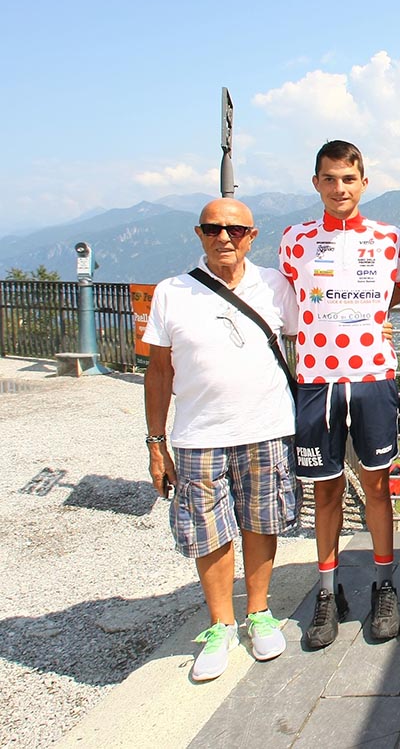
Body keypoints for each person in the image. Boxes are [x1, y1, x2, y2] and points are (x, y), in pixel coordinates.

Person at [143, 198, 298, 681]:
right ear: (199, 233)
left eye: (234, 230)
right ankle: (219, 624)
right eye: (213, 229)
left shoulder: (275, 285)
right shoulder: (171, 292)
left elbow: (307, 338)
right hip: (198, 434)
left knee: (260, 520)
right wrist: (155, 441)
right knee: (206, 531)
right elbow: (159, 370)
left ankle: (258, 611)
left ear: (253, 235)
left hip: (268, 425)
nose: (223, 238)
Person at [279, 140, 400, 647]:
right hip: (316, 379)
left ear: (364, 182)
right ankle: (327, 591)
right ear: (316, 183)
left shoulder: (387, 238)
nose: (339, 188)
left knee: (379, 486)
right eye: (329, 179)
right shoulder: (294, 239)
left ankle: (385, 586)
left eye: (348, 178)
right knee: (325, 490)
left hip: (372, 376)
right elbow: (281, 301)